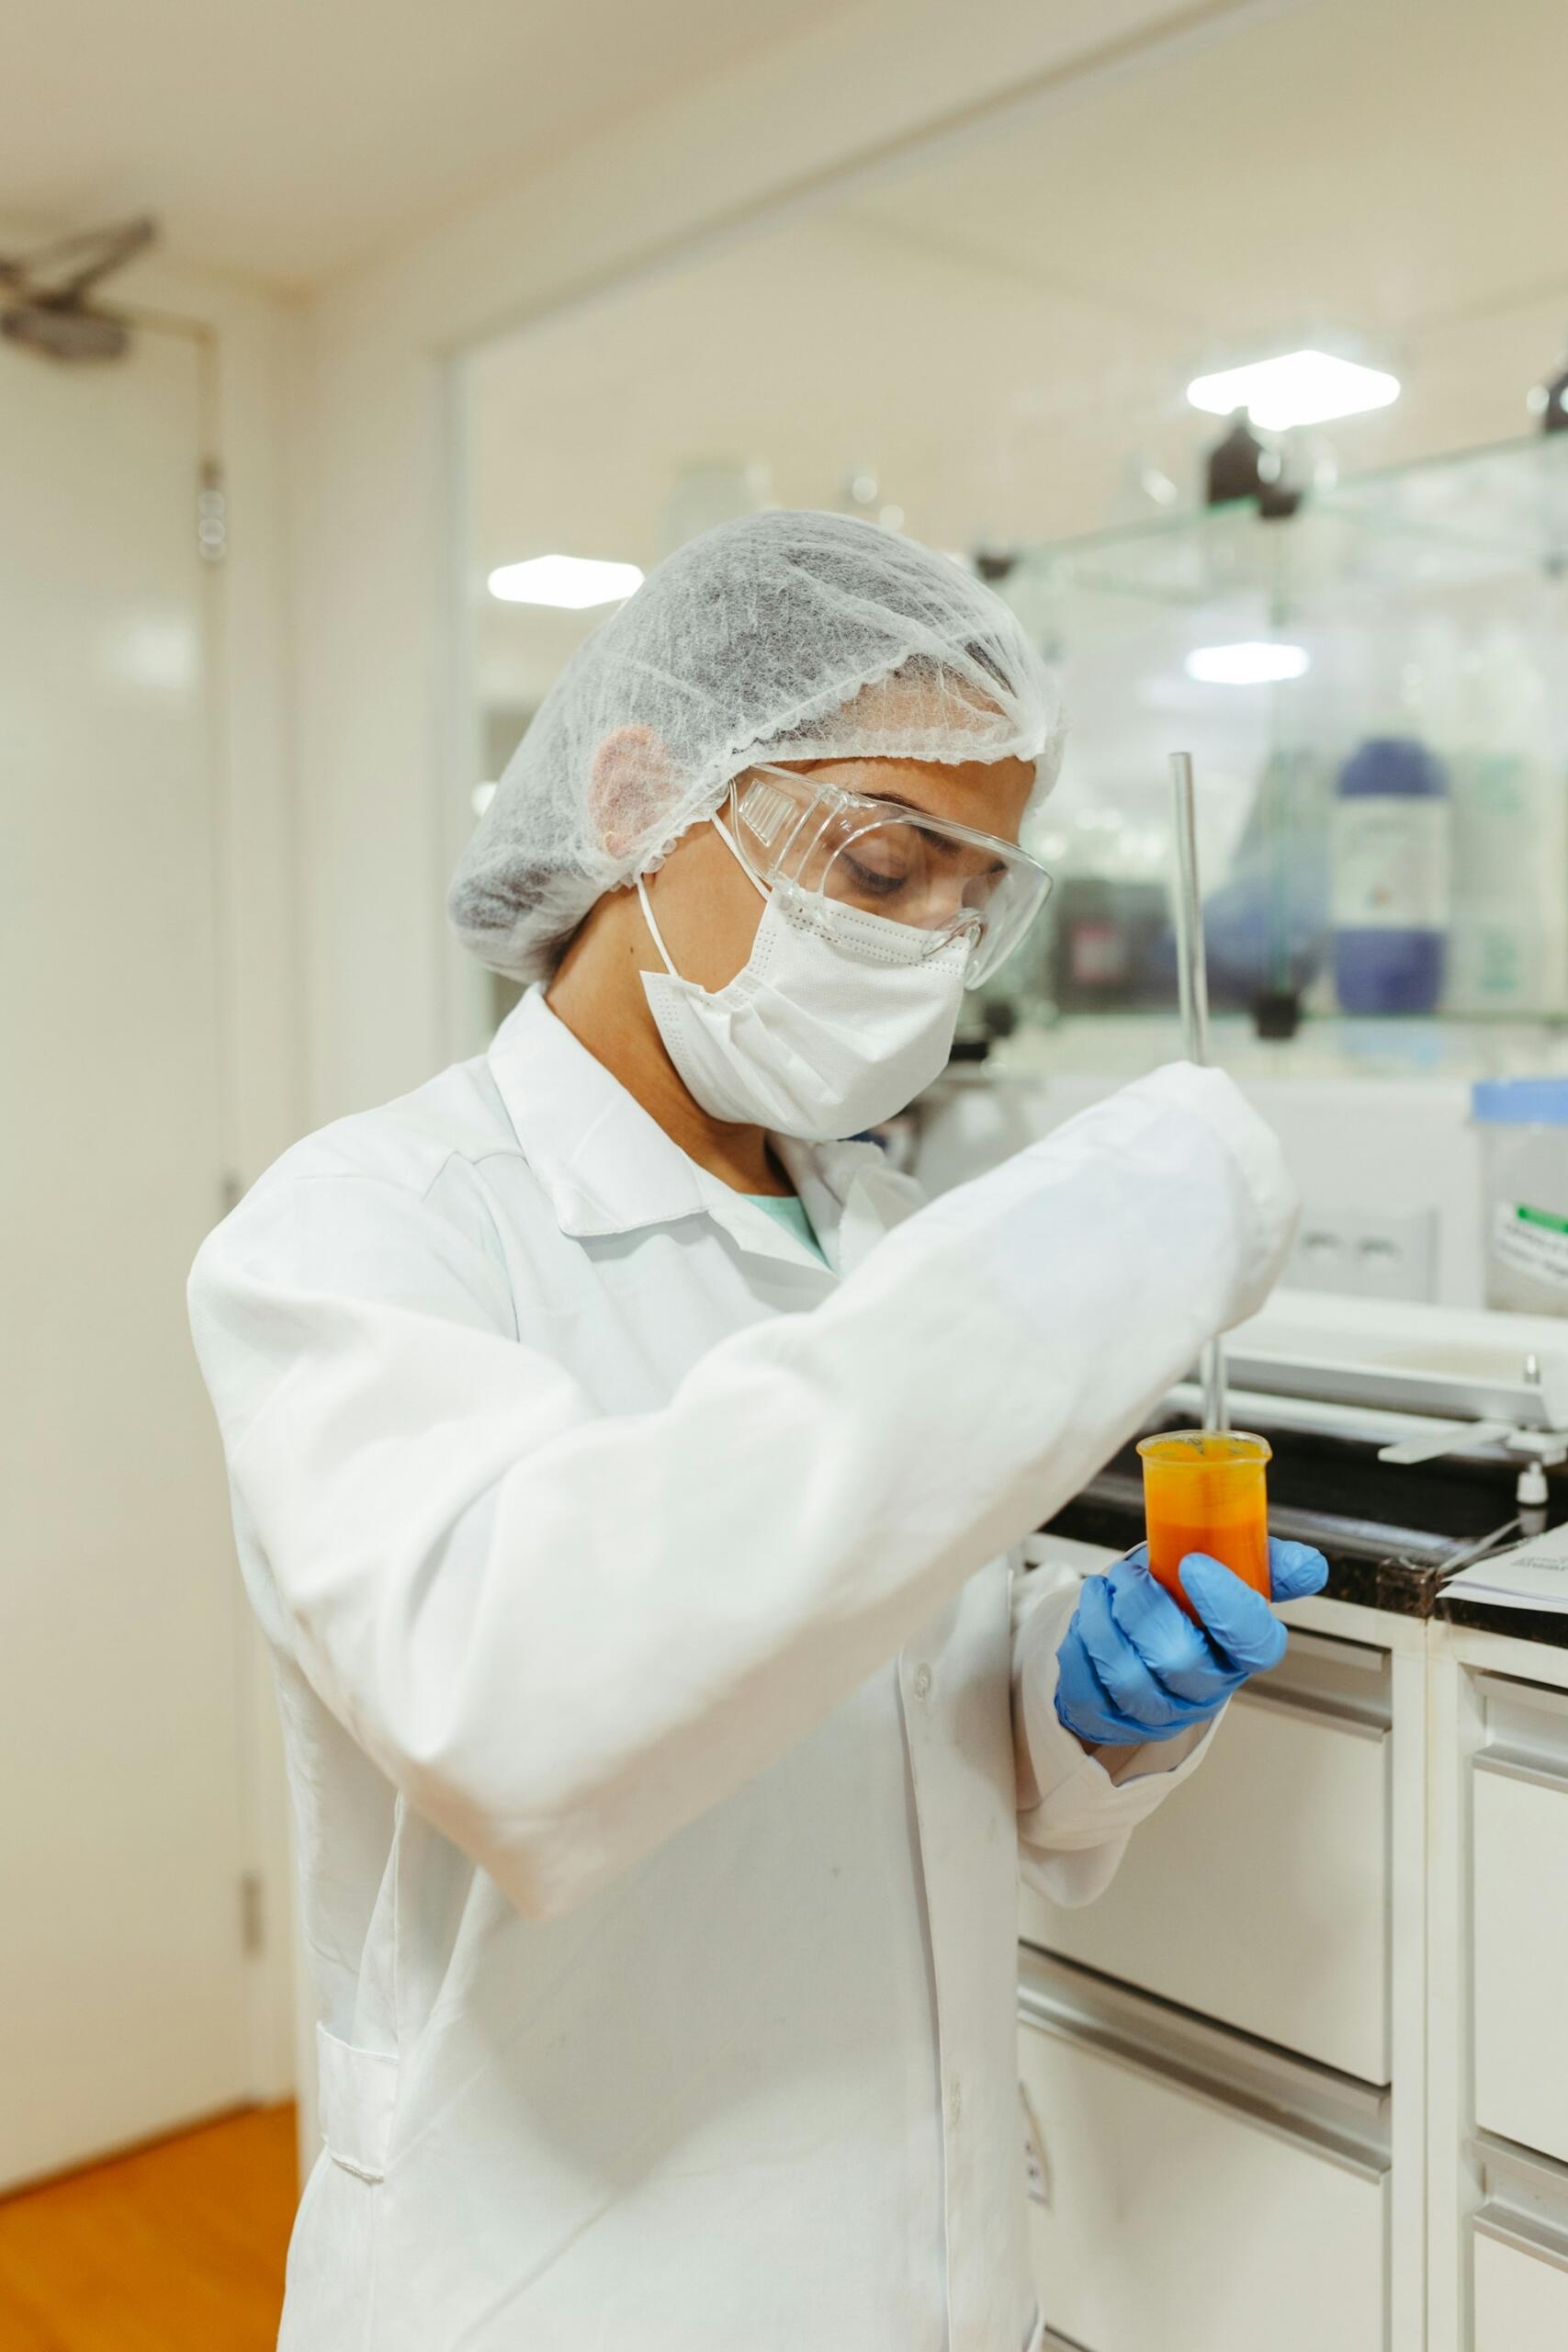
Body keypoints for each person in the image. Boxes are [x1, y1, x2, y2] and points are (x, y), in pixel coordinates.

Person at [189, 511, 1325, 2352]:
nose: (928, 950)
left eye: (973, 897)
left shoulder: (872, 1234)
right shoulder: (365, 1229)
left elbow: (869, 1701)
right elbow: (530, 1696)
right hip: (566, 2273)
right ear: (639, 794)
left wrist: (1068, 1706)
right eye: (882, 864)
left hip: (924, 2257)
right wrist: (1107, 1230)